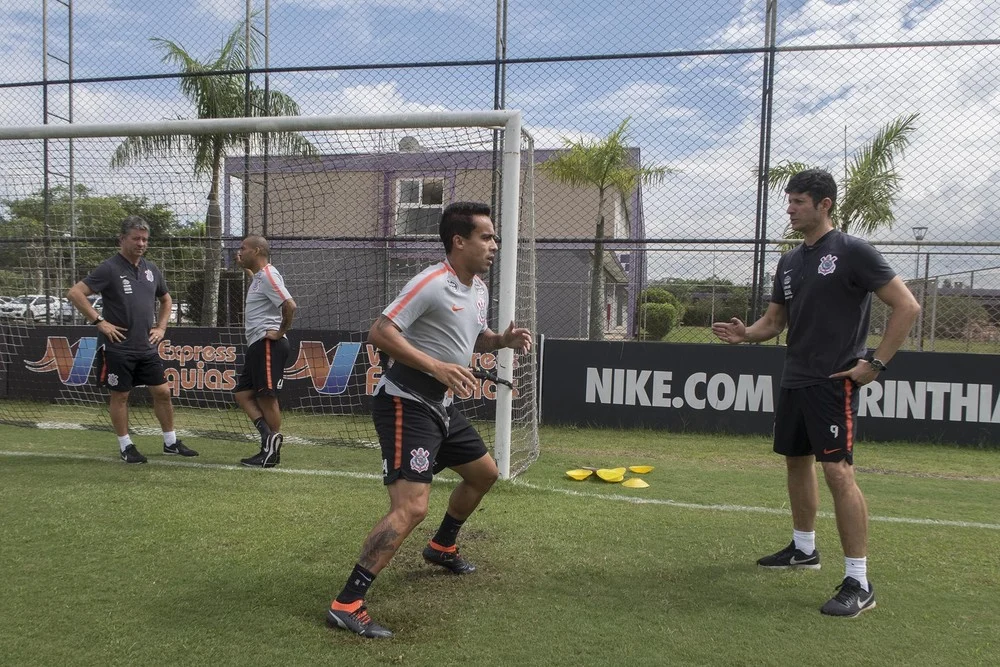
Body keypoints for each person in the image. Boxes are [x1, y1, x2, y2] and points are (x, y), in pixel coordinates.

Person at [712, 169, 920, 618]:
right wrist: (745, 334)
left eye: (798, 201)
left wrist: (875, 364)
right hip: (795, 378)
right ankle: (804, 549)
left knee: (838, 473)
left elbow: (907, 306)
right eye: (789, 201)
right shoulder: (789, 262)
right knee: (796, 462)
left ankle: (859, 581)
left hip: (833, 383)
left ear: (824, 204)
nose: (789, 208)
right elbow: (774, 323)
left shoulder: (852, 252)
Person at [325, 201, 532, 639]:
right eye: (486, 236)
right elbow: (380, 331)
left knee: (484, 474)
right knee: (411, 507)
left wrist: (502, 340)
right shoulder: (430, 282)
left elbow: (473, 336)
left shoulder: (477, 288)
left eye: (494, 237)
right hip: (406, 401)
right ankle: (347, 602)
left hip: (441, 406)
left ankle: (442, 546)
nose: (494, 244)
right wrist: (436, 367)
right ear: (459, 241)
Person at [67, 215, 198, 463]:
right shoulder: (109, 268)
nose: (141, 243)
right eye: (136, 238)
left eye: (145, 239)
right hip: (118, 347)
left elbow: (166, 299)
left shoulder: (151, 269)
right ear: (122, 239)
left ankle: (170, 442)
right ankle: (126, 446)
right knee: (121, 396)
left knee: (162, 392)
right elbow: (75, 293)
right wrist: (100, 322)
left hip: (146, 347)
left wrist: (161, 328)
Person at [233, 235, 297, 468]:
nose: (239, 252)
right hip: (257, 345)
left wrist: (280, 333)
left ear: (257, 250)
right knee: (242, 394)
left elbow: (290, 305)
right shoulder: (259, 277)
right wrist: (244, 268)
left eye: (243, 248)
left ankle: (270, 452)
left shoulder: (270, 275)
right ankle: (267, 440)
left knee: (266, 397)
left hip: (268, 344)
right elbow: (257, 279)